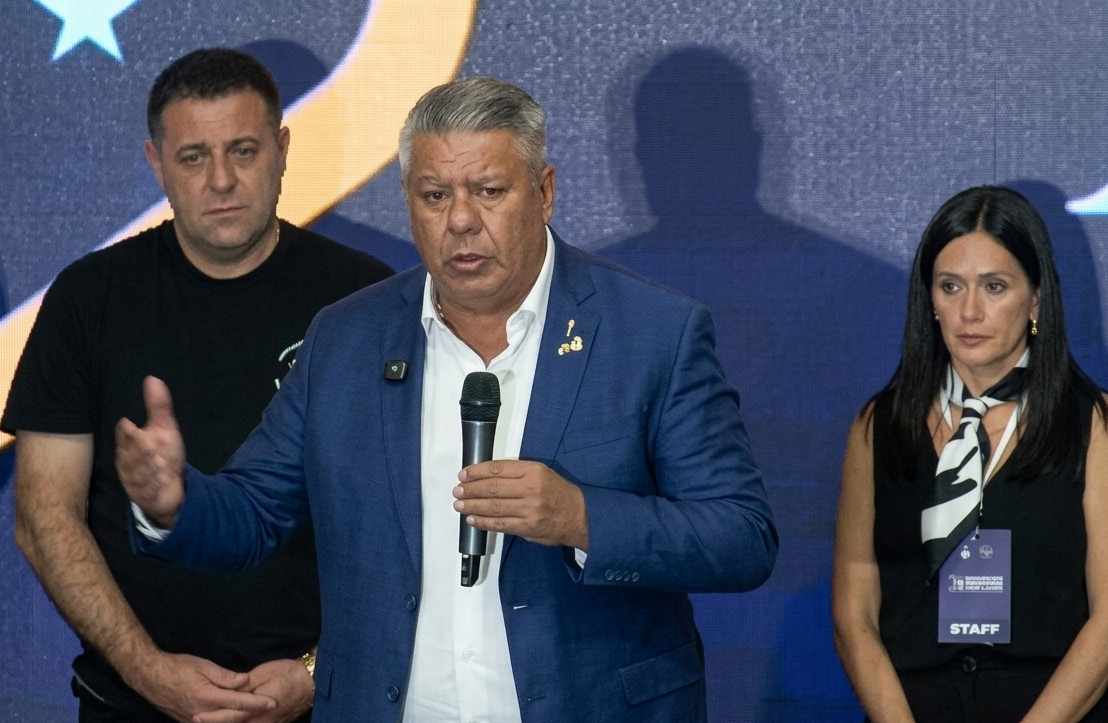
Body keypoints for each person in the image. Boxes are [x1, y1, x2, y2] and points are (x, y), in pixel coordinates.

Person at [114, 77, 778, 722]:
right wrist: (172, 501)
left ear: (544, 192)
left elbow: (740, 537)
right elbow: (254, 511)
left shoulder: (654, 332)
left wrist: (580, 517)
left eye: (489, 191)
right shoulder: (346, 337)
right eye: (435, 195)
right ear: (409, 201)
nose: (460, 220)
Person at [4, 48, 393, 723]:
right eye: (192, 157)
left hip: (328, 700)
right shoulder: (89, 298)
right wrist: (149, 672)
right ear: (156, 163)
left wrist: (319, 669)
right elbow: (44, 518)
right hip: (130, 702)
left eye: (243, 150)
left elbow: (408, 522)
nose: (221, 180)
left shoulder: (366, 300)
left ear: (282, 150)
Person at [832, 185, 1108, 722]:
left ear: (1036, 300)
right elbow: (854, 616)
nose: (969, 312)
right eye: (950, 287)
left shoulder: (1095, 423)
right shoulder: (878, 426)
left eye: (994, 287)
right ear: (929, 300)